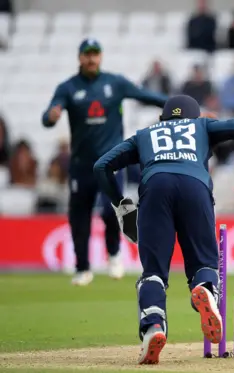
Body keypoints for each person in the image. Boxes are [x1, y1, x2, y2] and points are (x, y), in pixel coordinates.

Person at [93, 95, 234, 364]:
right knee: (203, 262)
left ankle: (154, 327)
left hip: (155, 188)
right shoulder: (201, 126)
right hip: (195, 187)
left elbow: (101, 166)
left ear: (164, 119)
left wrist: (121, 206)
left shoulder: (145, 134)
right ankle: (206, 289)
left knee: (153, 272)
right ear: (194, 116)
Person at [41, 38, 168, 286]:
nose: (91, 58)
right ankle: (82, 268)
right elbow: (47, 117)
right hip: (80, 165)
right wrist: (51, 116)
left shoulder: (115, 83)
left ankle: (114, 254)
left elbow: (147, 95)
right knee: (79, 217)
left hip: (110, 163)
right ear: (79, 57)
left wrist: (179, 106)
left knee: (111, 209)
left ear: (100, 56)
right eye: (86, 54)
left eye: (95, 54)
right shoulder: (68, 88)